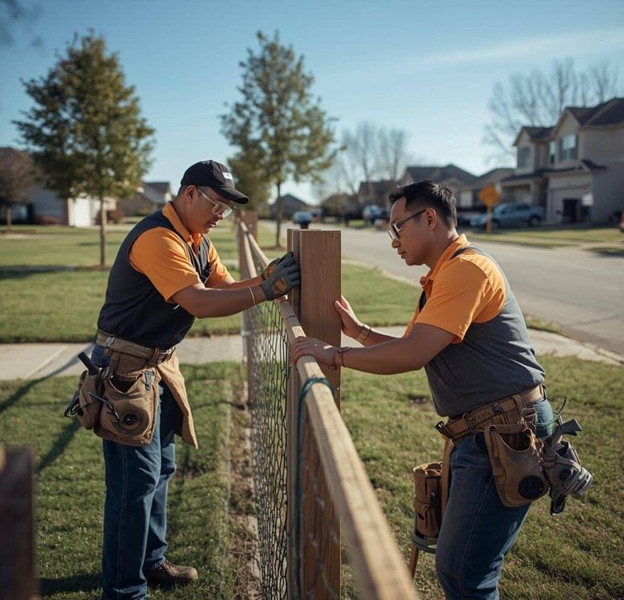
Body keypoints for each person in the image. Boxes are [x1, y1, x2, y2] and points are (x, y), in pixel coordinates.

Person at [290, 179, 554, 600]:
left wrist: (333, 355)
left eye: (396, 227)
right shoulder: (445, 274)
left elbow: (412, 354)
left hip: (507, 431)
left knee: (465, 573)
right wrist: (359, 333)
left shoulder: (468, 269)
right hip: (486, 430)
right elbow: (416, 349)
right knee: (461, 568)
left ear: (429, 218)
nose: (391, 239)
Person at [91, 159, 300, 600]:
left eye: (226, 206)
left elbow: (222, 287)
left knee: (161, 469)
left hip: (157, 367)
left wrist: (267, 278)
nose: (221, 213)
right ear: (189, 194)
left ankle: (150, 563)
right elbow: (199, 303)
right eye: (216, 202)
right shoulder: (157, 239)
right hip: (125, 371)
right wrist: (266, 290)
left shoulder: (197, 241)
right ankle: (125, 590)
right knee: (135, 485)